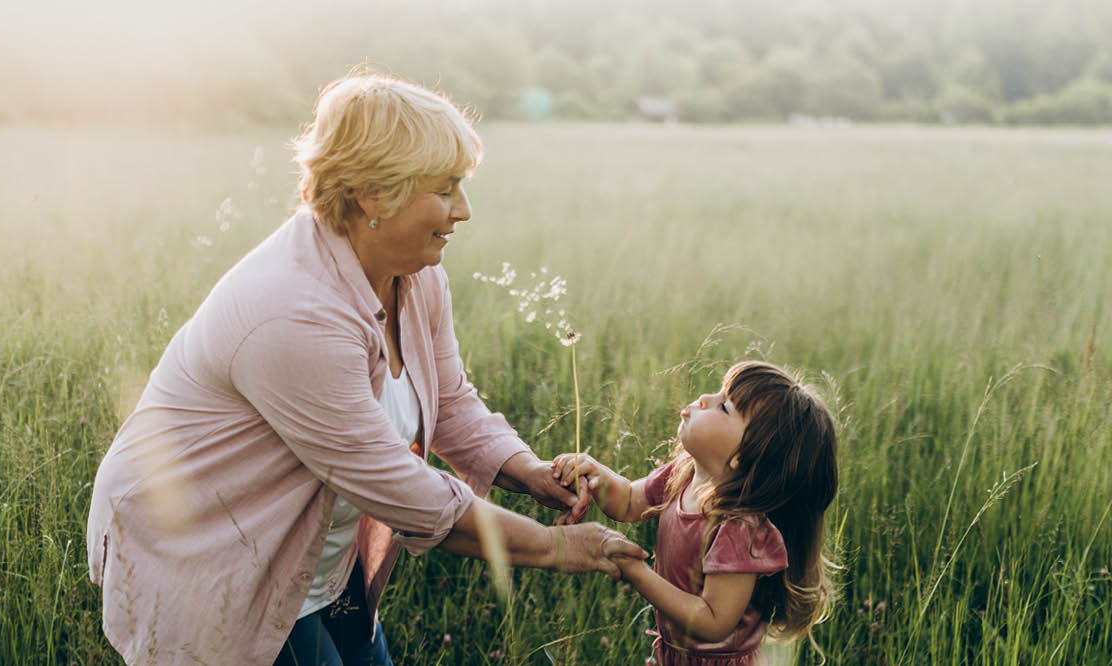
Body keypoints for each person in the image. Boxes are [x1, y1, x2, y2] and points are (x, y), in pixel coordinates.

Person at [85, 72, 643, 666]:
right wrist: (557, 547)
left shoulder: (417, 276)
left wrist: (527, 471)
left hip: (318, 552)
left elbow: (450, 400)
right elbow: (400, 489)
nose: (464, 210)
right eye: (446, 189)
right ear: (376, 195)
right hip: (219, 554)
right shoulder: (294, 313)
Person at [552, 361, 839, 666]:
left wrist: (635, 571)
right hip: (675, 653)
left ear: (743, 456)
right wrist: (597, 476)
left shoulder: (738, 529)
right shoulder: (684, 474)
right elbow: (629, 502)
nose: (704, 398)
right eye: (719, 392)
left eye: (724, 406)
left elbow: (712, 623)